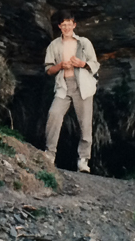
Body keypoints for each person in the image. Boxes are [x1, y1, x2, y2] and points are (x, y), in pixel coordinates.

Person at [43, 10, 101, 172]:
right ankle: (50, 153)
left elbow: (94, 64)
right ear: (59, 26)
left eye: (69, 24)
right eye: (63, 25)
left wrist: (81, 64)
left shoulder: (84, 43)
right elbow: (48, 70)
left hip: (82, 86)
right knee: (54, 114)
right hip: (63, 86)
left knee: (85, 123)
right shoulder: (54, 45)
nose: (67, 28)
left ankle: (83, 160)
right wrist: (60, 65)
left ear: (74, 25)